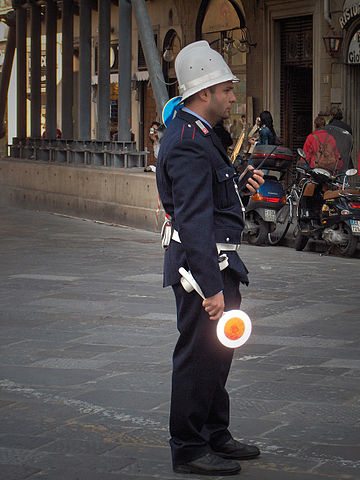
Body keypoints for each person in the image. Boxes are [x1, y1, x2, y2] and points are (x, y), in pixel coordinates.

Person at [156, 40, 264, 476]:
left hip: (217, 262)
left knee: (218, 355)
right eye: (227, 89)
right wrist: (213, 288)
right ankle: (188, 446)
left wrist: (239, 185)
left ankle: (215, 432)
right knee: (197, 357)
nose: (233, 96)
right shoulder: (186, 141)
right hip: (201, 270)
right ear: (204, 92)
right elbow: (194, 220)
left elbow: (211, 197)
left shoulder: (200, 135)